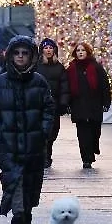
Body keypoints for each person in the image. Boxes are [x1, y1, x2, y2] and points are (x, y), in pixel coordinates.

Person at [0, 35, 56, 224]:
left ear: (31, 55)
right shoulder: (0, 83)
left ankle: (26, 213)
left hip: (34, 144)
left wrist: (43, 130)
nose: (20, 57)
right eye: (16, 53)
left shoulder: (39, 82)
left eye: (25, 53)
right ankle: (19, 215)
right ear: (10, 56)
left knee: (31, 182)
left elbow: (49, 108)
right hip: (9, 144)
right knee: (14, 181)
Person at [65, 42, 111, 169]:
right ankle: (86, 158)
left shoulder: (96, 67)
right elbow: (67, 88)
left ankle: (93, 148)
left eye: (83, 50)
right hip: (78, 105)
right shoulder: (71, 69)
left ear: (87, 52)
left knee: (95, 131)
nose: (80, 52)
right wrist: (67, 103)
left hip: (94, 105)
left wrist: (106, 102)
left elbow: (105, 86)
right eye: (78, 50)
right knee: (82, 133)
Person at [36, 37, 70, 169]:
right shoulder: (36, 66)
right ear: (42, 50)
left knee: (53, 131)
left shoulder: (59, 67)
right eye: (46, 48)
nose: (48, 50)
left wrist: (63, 103)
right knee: (40, 131)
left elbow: (64, 86)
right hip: (39, 105)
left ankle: (47, 154)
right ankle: (43, 156)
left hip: (54, 105)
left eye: (50, 48)